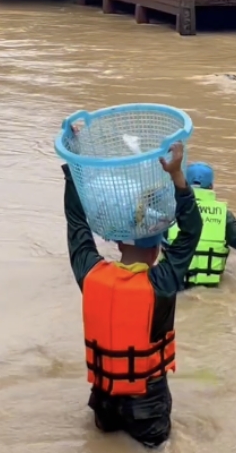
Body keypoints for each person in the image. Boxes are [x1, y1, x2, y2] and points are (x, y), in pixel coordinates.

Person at [64, 141, 202, 449]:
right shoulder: (162, 282)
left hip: (102, 403)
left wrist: (73, 168)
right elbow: (192, 231)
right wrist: (177, 176)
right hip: (147, 407)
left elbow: (76, 225)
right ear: (156, 247)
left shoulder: (91, 275)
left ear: (119, 243)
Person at [162, 162, 236, 288]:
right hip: (209, 289)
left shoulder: (168, 210)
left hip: (171, 289)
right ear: (211, 186)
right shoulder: (223, 214)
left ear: (183, 183)